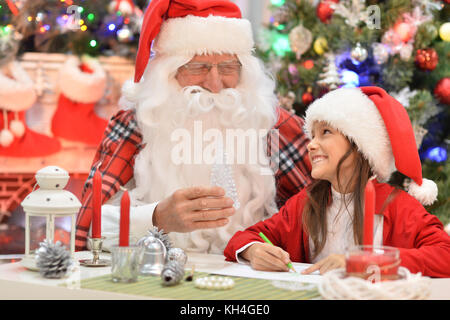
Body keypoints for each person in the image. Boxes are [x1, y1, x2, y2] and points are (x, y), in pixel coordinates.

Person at [75, 0, 312, 253]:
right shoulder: (137, 124)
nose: (215, 83)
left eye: (228, 67)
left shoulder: (269, 122)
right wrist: (156, 217)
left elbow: (324, 209)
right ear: (168, 72)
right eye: (198, 67)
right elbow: (92, 228)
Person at [224, 86, 450, 278]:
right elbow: (244, 238)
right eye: (312, 135)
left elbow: (445, 255)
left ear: (359, 145)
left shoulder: (398, 207)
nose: (311, 144)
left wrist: (367, 263)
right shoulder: (306, 203)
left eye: (325, 132)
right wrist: (252, 251)